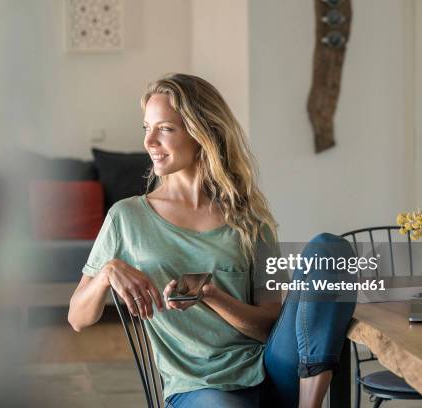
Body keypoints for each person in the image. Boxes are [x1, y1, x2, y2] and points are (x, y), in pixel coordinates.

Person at [68, 73, 356, 408]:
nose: (149, 141)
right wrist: (107, 272)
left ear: (202, 132)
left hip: (275, 371)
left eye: (165, 128)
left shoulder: (249, 218)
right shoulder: (127, 217)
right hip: (201, 388)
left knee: (330, 249)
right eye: (147, 128)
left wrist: (213, 297)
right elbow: (77, 318)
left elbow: (268, 327)